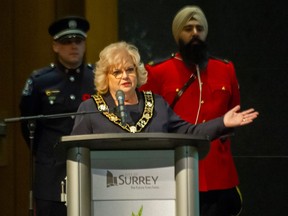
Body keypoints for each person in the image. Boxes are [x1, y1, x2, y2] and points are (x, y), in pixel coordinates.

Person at [140, 5, 244, 216]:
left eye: (199, 28)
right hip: (175, 170)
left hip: (218, 175)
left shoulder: (225, 69)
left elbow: (234, 111)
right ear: (178, 33)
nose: (195, 33)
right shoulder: (158, 71)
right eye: (188, 29)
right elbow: (147, 120)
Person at [71, 41, 257, 153]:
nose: (125, 76)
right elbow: (76, 154)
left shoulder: (157, 104)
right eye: (116, 72)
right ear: (106, 77)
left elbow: (189, 133)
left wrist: (223, 122)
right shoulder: (90, 109)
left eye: (130, 70)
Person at [19, 16, 96, 216]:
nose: (73, 46)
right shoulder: (40, 81)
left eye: (78, 41)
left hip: (91, 165)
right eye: (66, 42)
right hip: (51, 170)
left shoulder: (97, 79)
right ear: (55, 46)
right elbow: (28, 126)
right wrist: (46, 152)